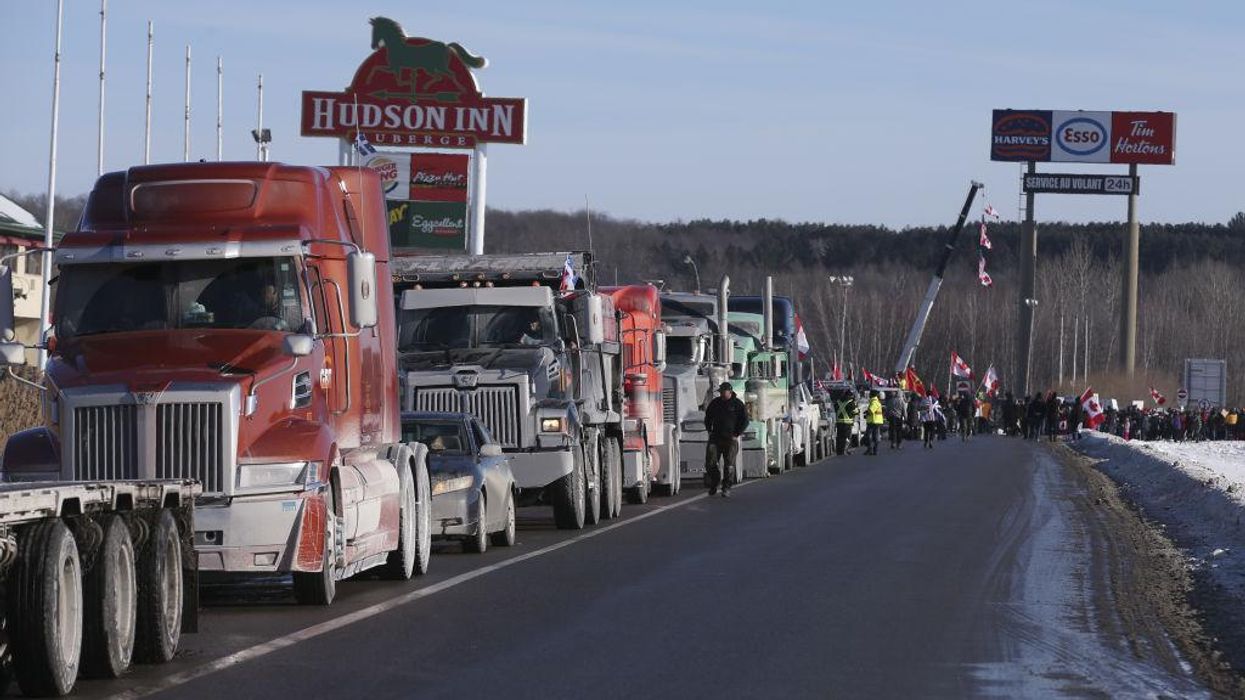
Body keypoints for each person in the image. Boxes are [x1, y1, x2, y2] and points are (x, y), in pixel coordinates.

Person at [704, 382, 747, 497]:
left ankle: (726, 487)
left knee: (729, 465)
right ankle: (714, 482)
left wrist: (737, 433)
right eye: (721, 392)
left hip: (730, 439)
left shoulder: (737, 404)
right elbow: (708, 417)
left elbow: (745, 420)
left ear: (730, 392)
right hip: (715, 438)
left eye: (724, 392)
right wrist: (709, 429)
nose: (722, 394)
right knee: (710, 462)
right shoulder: (715, 403)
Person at [834, 391, 858, 456]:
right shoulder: (851, 403)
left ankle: (839, 451)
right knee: (847, 437)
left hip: (839, 423)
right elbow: (856, 412)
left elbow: (835, 409)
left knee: (839, 437)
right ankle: (845, 450)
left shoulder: (838, 402)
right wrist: (855, 405)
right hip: (847, 423)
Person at [866, 391, 884, 456]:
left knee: (869, 436)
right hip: (875, 421)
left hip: (874, 421)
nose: (869, 395)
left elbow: (871, 411)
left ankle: (872, 450)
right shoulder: (875, 401)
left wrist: (866, 413)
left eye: (870, 394)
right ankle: (873, 450)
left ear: (872, 395)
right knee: (874, 436)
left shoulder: (874, 402)